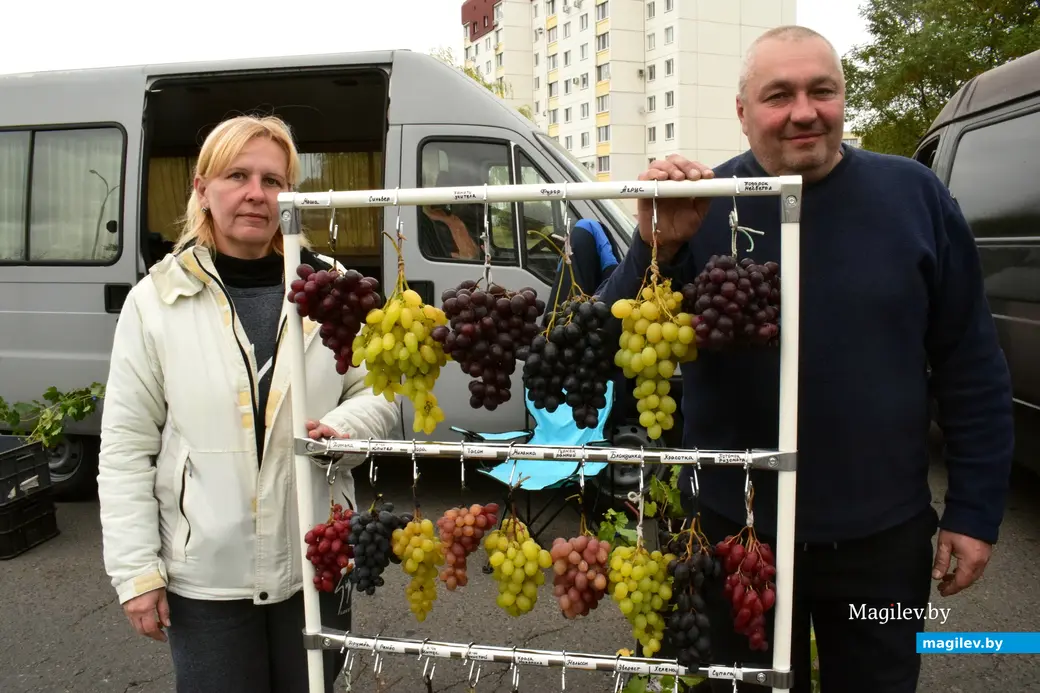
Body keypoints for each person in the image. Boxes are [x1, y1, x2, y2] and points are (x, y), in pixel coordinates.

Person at [596, 25, 1014, 693]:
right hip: (737, 534)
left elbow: (971, 364)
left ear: (844, 98)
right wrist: (657, 248)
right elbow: (612, 352)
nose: (803, 110)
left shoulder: (915, 197)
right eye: (778, 94)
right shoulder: (699, 205)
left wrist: (974, 510)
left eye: (822, 90)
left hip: (883, 539)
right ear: (742, 112)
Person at [97, 114, 400, 693]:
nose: (256, 193)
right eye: (238, 175)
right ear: (203, 188)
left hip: (315, 559)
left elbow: (379, 390)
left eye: (273, 179)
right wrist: (137, 572)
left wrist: (341, 426)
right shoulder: (157, 300)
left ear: (290, 195)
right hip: (207, 577)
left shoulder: (333, 292)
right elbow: (126, 446)